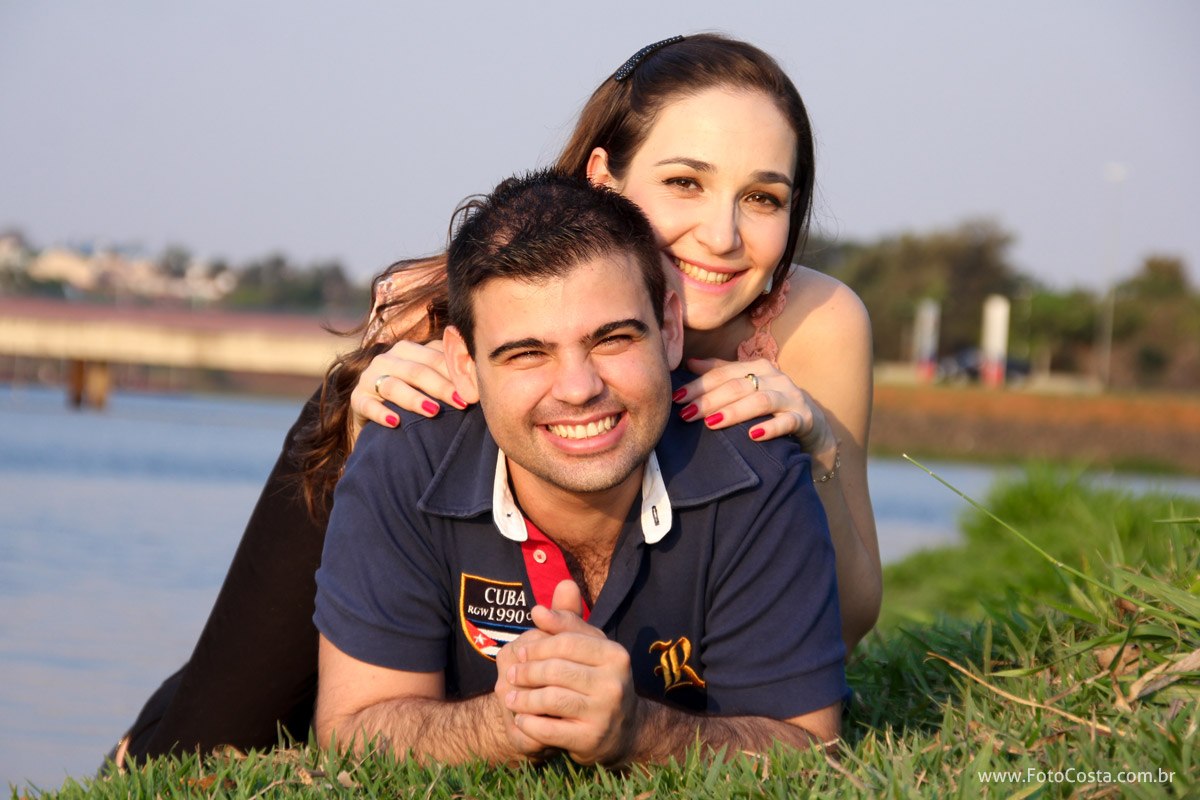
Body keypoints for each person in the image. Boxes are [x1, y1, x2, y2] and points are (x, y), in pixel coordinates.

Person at [115, 32, 876, 762]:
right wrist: (370, 402)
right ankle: (153, 741)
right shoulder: (453, 302)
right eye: (685, 183)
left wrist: (817, 450)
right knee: (226, 723)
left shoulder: (817, 324)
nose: (722, 234)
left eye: (763, 197)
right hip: (399, 526)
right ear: (604, 180)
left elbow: (844, 625)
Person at [314, 170, 846, 765]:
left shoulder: (758, 469)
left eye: (612, 340)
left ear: (670, 329)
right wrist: (505, 724)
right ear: (465, 365)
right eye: (527, 353)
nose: (578, 388)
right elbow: (350, 728)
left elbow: (810, 745)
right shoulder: (402, 458)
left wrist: (639, 731)